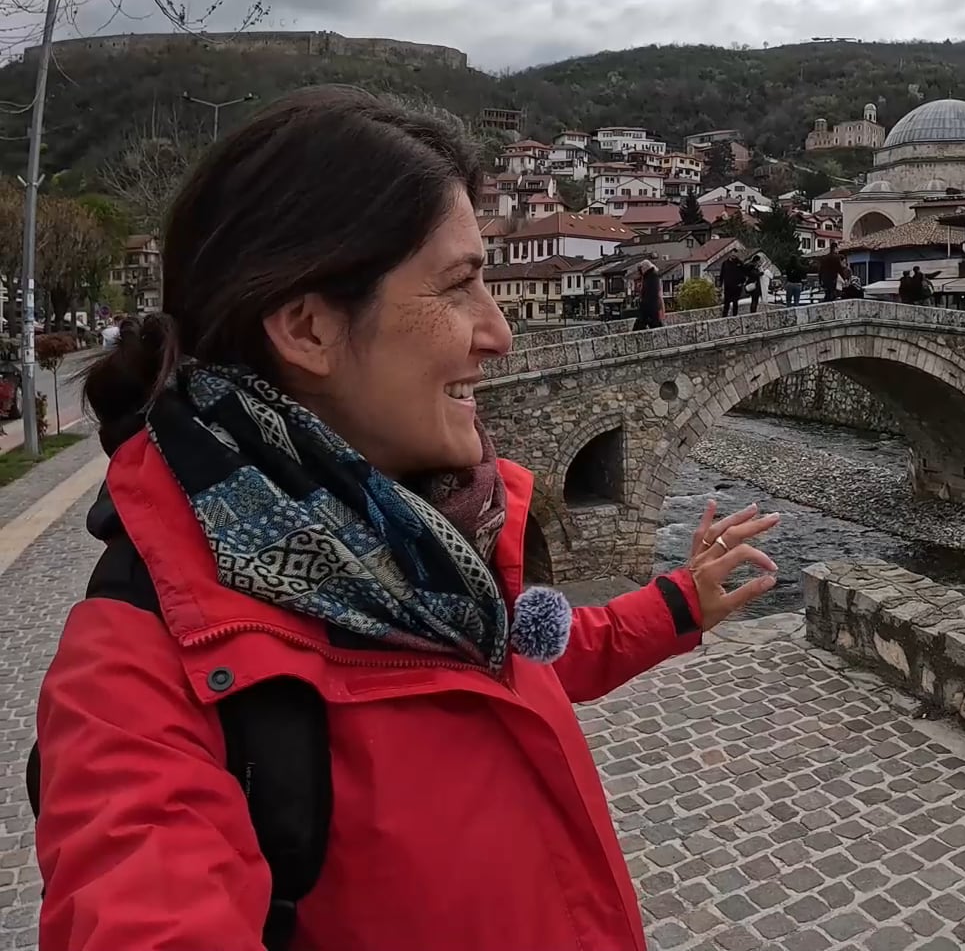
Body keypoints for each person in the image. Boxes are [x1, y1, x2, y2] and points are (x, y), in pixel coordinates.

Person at [33, 87, 784, 951]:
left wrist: (679, 604)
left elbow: (513, 664)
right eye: (459, 286)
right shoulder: (135, 687)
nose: (500, 334)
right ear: (308, 329)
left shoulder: (437, 545)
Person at [634, 258, 664, 330]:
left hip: (647, 306)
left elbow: (650, 293)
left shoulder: (649, 277)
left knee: (641, 324)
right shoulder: (654, 276)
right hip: (654, 307)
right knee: (656, 325)